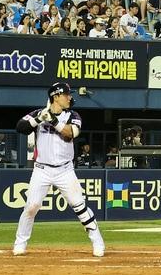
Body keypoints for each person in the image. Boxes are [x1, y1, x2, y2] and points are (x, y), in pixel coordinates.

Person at [13, 82, 104, 257]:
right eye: (67, 94)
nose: (70, 97)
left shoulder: (73, 115)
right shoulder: (38, 113)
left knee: (79, 207)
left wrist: (53, 121)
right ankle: (20, 243)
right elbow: (20, 127)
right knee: (31, 206)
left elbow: (71, 133)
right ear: (56, 96)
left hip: (65, 170)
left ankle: (98, 242)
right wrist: (39, 118)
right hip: (41, 170)